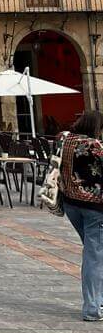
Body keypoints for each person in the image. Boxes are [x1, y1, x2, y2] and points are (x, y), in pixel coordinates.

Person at [59, 112, 103, 321]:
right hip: (95, 207)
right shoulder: (95, 145)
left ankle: (98, 299)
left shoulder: (64, 139)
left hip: (70, 204)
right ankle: (92, 308)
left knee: (94, 252)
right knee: (94, 256)